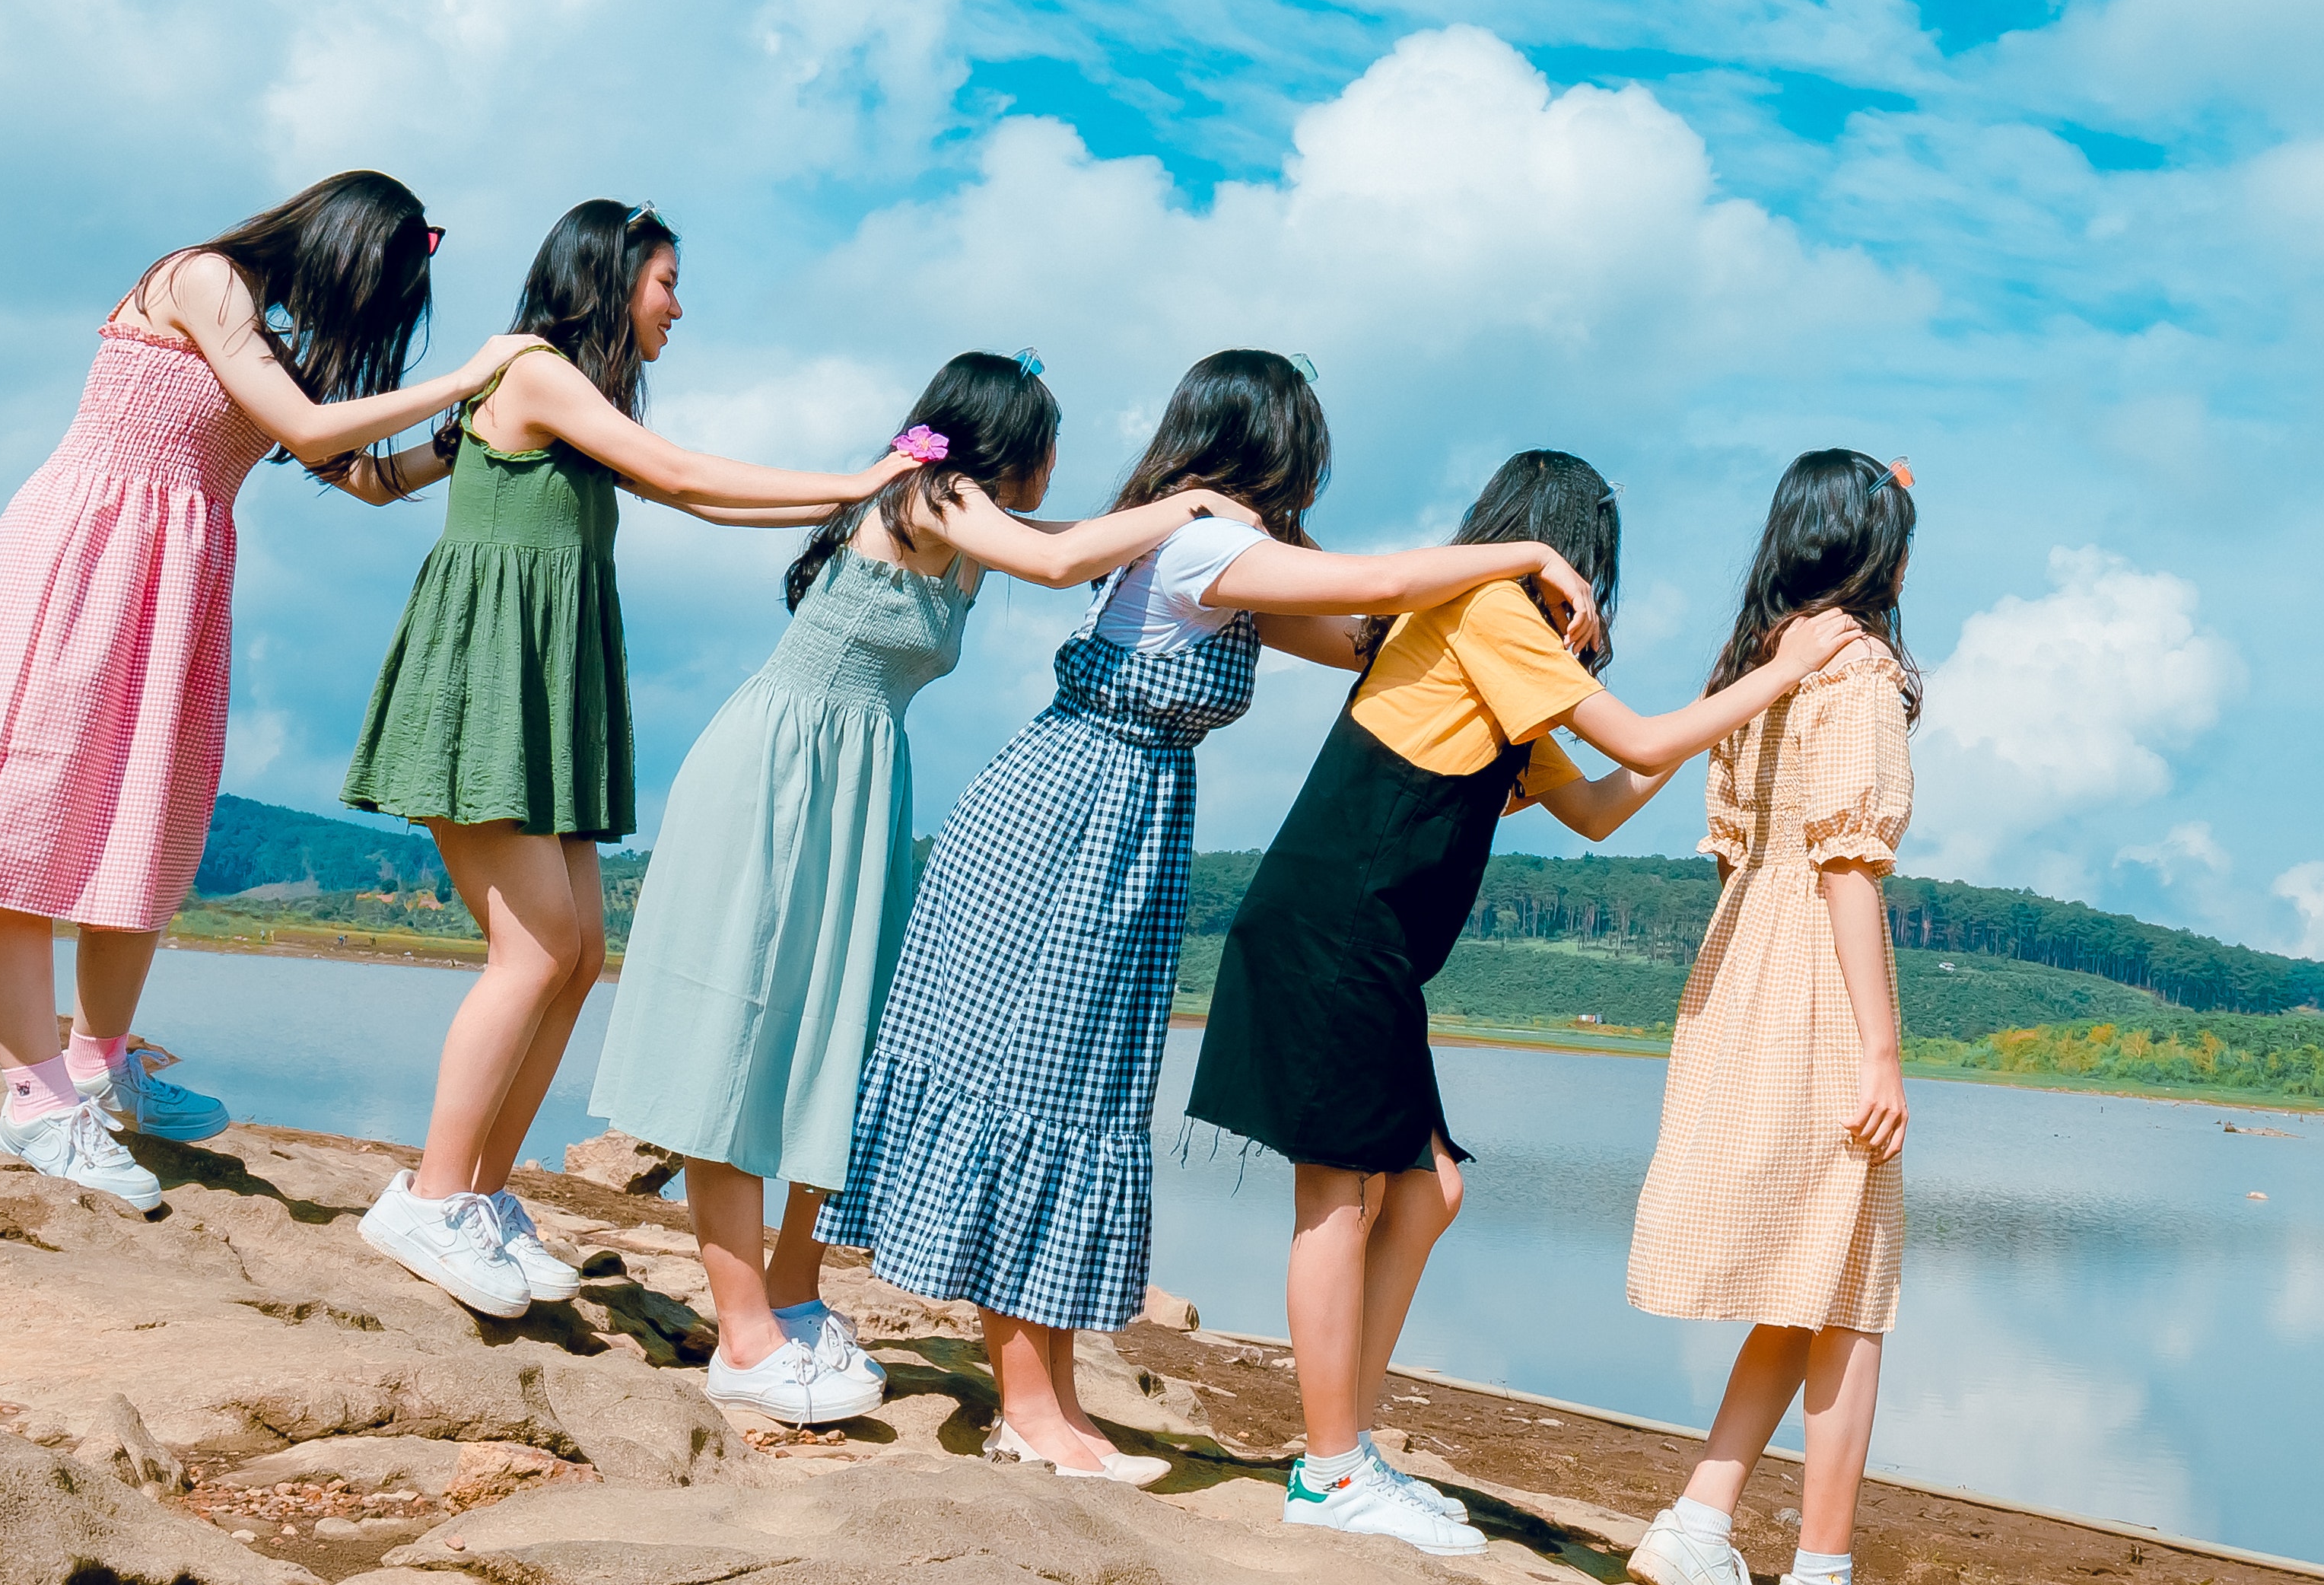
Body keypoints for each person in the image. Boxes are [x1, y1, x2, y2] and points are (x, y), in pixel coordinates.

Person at [817, 349, 1602, 1482]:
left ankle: (1048, 1401)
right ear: (1274, 447)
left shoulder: (1221, 554)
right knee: (1036, 1089)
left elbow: (1369, 643)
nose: (1317, 480)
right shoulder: (1204, 542)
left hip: (1118, 820)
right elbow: (1374, 590)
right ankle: (1030, 1410)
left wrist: (1507, 654)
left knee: (1075, 1095)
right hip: (1073, 816)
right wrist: (1525, 549)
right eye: (1310, 454)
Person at [1186, 449, 1860, 1557]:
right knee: (1341, 1201)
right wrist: (1778, 674)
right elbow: (1635, 744)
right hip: (1334, 929)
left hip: (1370, 946)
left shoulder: (1496, 644)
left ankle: (1341, 1442)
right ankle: (1330, 1469)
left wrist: (1720, 702)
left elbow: (1597, 804)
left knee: (1429, 1192)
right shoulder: (1490, 609)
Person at [585, 349, 1250, 1427]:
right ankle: (744, 1333)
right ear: (1006, 444)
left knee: (839, 1039)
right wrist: (1195, 502)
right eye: (1046, 445)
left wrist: (1193, 529)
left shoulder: (976, 520)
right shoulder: (935, 498)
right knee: (745, 1042)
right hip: (781, 771)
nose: (1053, 467)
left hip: (859, 782)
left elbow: (1075, 552)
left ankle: (794, 1293)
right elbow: (1066, 558)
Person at [0, 173, 547, 1216]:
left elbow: (364, 476)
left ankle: (100, 1065)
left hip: (179, 576)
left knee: (146, 825)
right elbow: (306, 428)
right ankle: (33, 1100)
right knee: (38, 814)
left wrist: (475, 425)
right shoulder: (202, 279)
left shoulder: (265, 339)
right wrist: (473, 369)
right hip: (89, 551)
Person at [342, 200, 919, 1319]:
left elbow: (383, 478)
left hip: (544, 683)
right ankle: (428, 1195)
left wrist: (853, 495)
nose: (678, 306)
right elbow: (683, 471)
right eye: (666, 282)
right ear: (612, 280)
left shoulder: (551, 398)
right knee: (534, 951)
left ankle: (479, 1194)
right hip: (493, 677)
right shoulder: (540, 371)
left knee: (575, 951)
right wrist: (855, 486)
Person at [1621, 450, 1928, 1585]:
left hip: (1737, 974)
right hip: (1811, 985)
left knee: (1807, 1279)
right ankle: (1821, 1584)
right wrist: (1882, 1043)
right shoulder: (1855, 670)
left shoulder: (1760, 667)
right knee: (1851, 1291)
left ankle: (1699, 1525)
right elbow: (1848, 863)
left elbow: (1738, 850)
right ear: (1877, 553)